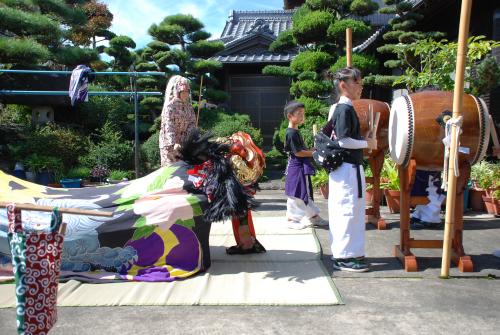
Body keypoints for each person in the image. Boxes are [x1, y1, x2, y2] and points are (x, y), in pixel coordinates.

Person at [323, 67, 377, 272]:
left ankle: (350, 253)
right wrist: (367, 144)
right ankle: (344, 257)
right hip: (346, 169)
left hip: (346, 169)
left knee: (350, 210)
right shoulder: (344, 109)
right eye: (357, 82)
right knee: (347, 211)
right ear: (343, 85)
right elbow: (344, 141)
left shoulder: (339, 108)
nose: (361, 87)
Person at [284, 101, 328, 229]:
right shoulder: (291, 133)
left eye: (303, 113)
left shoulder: (295, 131)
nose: (302, 116)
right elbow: (298, 153)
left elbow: (301, 150)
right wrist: (313, 153)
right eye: (299, 114)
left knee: (306, 192)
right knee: (296, 194)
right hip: (296, 167)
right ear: (289, 116)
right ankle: (291, 219)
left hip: (300, 166)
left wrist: (312, 150)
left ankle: (313, 217)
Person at [159, 75, 196, 166]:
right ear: (177, 92)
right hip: (169, 145)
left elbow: (192, 122)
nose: (186, 94)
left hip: (183, 144)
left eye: (187, 91)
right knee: (170, 171)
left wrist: (190, 138)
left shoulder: (189, 106)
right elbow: (168, 125)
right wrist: (174, 142)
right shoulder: (170, 106)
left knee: (183, 169)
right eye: (183, 91)